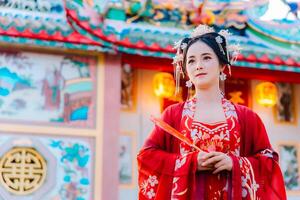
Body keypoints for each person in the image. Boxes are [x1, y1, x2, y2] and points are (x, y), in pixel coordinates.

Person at [137, 25, 286, 200]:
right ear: (185, 69)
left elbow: (268, 162)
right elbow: (147, 157)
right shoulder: (173, 115)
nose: (198, 66)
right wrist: (191, 162)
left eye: (206, 58)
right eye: (191, 61)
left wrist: (234, 163)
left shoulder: (247, 117)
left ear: (222, 64)